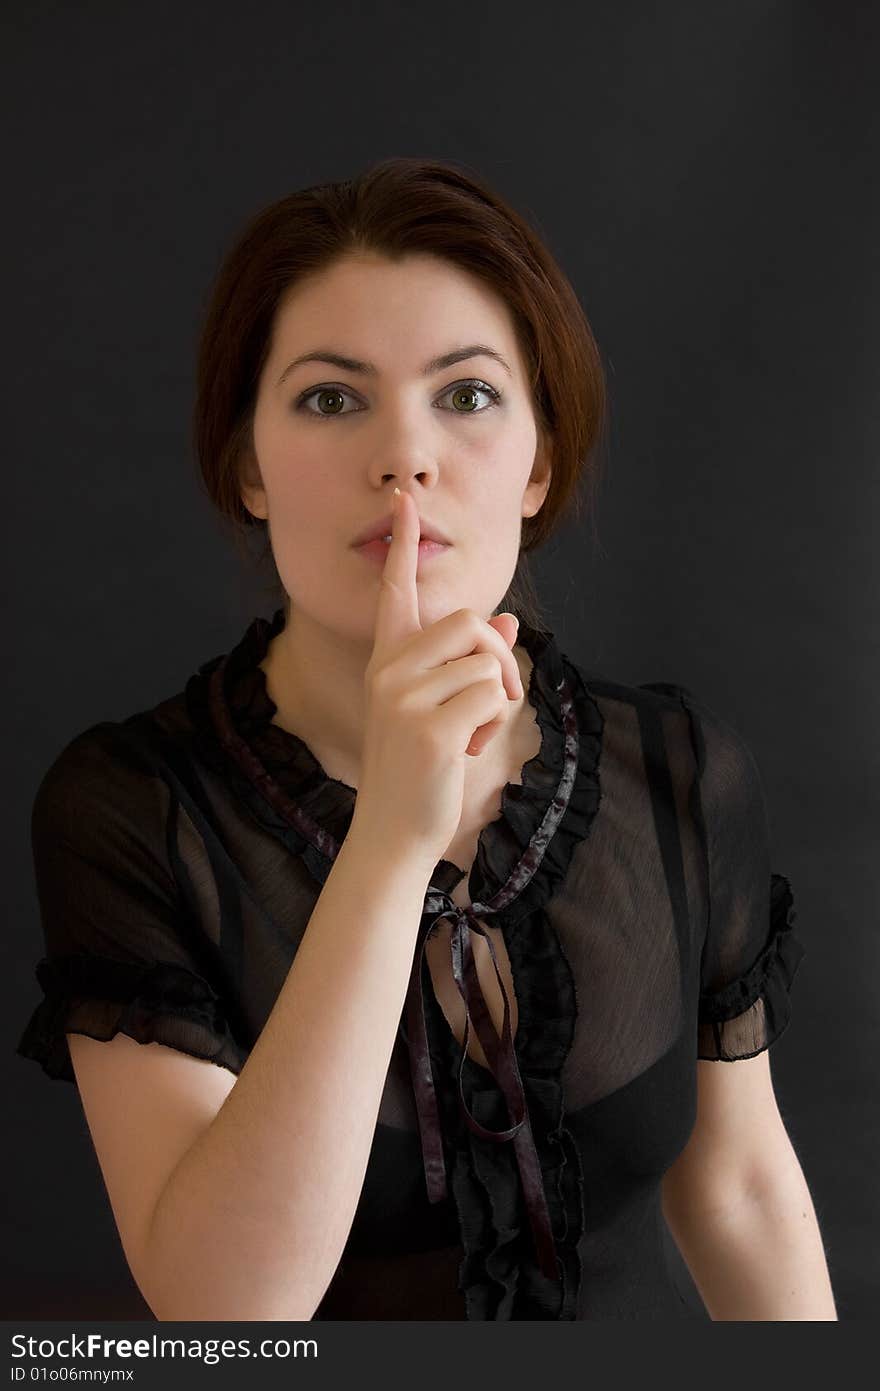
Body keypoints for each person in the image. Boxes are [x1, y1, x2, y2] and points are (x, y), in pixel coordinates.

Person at [16, 157, 836, 1321]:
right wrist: (394, 839)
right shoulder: (134, 807)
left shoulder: (678, 770)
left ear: (538, 460)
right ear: (248, 463)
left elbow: (743, 1190)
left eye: (465, 394)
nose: (405, 455)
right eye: (330, 398)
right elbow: (226, 1315)